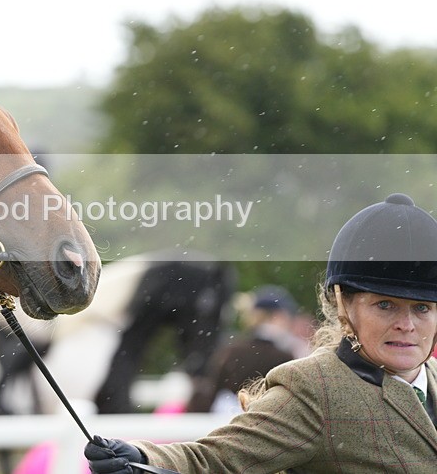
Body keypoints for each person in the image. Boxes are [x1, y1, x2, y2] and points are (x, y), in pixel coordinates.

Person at [85, 193, 437, 473]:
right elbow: (216, 459)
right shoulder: (315, 388)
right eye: (385, 306)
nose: (406, 325)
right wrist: (143, 459)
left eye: (422, 308)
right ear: (344, 303)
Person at [185, 285, 301, 415]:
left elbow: (213, 392)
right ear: (279, 316)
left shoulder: (231, 351)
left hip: (223, 425)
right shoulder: (284, 357)